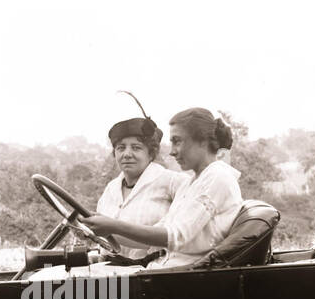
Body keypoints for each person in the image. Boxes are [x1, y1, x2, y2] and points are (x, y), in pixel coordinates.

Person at [84, 107, 243, 269]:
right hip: (159, 270)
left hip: (179, 277)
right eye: (120, 148)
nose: (172, 152)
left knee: (81, 285)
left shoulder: (217, 177)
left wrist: (113, 225)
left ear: (202, 141)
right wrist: (102, 229)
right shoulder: (192, 183)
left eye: (177, 141)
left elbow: (175, 237)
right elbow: (156, 235)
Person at [95, 111, 191, 264]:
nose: (127, 154)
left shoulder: (174, 182)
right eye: (121, 148)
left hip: (154, 270)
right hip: (107, 268)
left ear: (151, 153)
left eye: (136, 147)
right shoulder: (111, 189)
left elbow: (173, 236)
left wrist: (109, 229)